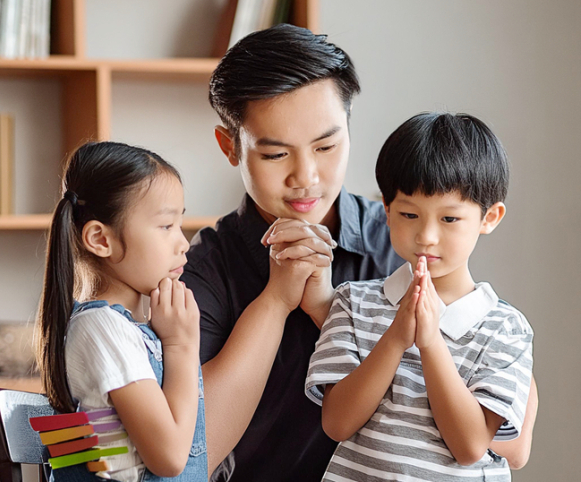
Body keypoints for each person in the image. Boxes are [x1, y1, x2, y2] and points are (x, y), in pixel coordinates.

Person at [182, 24, 537, 481]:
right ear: (230, 146)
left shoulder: (403, 239)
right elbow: (192, 453)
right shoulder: (208, 268)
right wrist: (275, 300)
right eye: (276, 156)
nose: (306, 176)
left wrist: (327, 313)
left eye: (326, 146)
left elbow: (512, 442)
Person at [305, 112, 534, 481]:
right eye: (409, 214)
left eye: (449, 219)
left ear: (489, 218)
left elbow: (471, 446)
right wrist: (396, 337)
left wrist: (430, 344)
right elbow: (337, 423)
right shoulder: (353, 303)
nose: (426, 236)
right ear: (387, 211)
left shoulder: (507, 329)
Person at [36, 142, 207, 482]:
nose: (183, 242)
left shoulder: (127, 329)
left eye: (180, 223)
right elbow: (169, 458)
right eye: (166, 226)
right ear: (101, 239)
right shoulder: (101, 328)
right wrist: (181, 346)